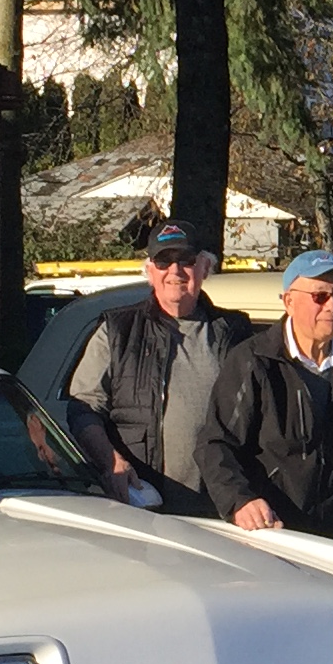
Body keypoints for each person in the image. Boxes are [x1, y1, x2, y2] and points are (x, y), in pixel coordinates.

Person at [197, 250, 333, 547]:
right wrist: (240, 502)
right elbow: (215, 445)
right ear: (289, 301)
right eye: (320, 296)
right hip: (274, 536)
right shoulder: (253, 360)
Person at [59, 220, 251, 513]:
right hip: (142, 504)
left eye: (185, 261)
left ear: (205, 267)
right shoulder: (117, 330)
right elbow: (84, 407)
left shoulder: (235, 331)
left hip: (220, 509)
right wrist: (111, 462)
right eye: (164, 261)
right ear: (150, 271)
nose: (175, 271)